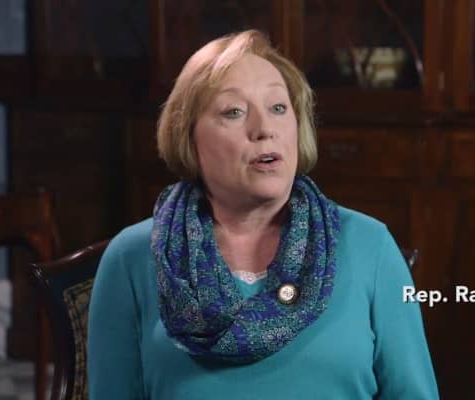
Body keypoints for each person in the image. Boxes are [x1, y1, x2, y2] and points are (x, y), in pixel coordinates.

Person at [87, 29, 439, 399]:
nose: (264, 129)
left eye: (278, 108)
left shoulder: (371, 246)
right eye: (234, 112)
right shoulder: (131, 257)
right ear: (188, 137)